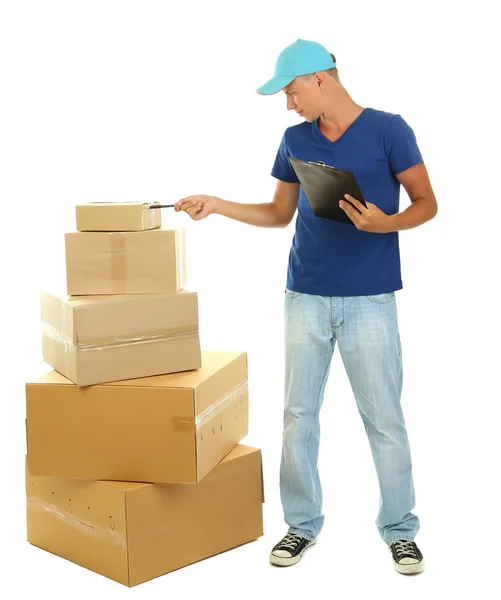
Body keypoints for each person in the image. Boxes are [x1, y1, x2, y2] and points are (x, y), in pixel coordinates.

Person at [175, 38, 437, 575]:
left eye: (292, 92)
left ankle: (400, 530)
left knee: (384, 418)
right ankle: (301, 526)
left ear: (321, 79)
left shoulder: (390, 129)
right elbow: (278, 214)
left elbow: (428, 203)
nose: (289, 104)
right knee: (299, 417)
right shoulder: (294, 138)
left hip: (370, 300)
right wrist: (217, 205)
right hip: (306, 297)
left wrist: (385, 223)